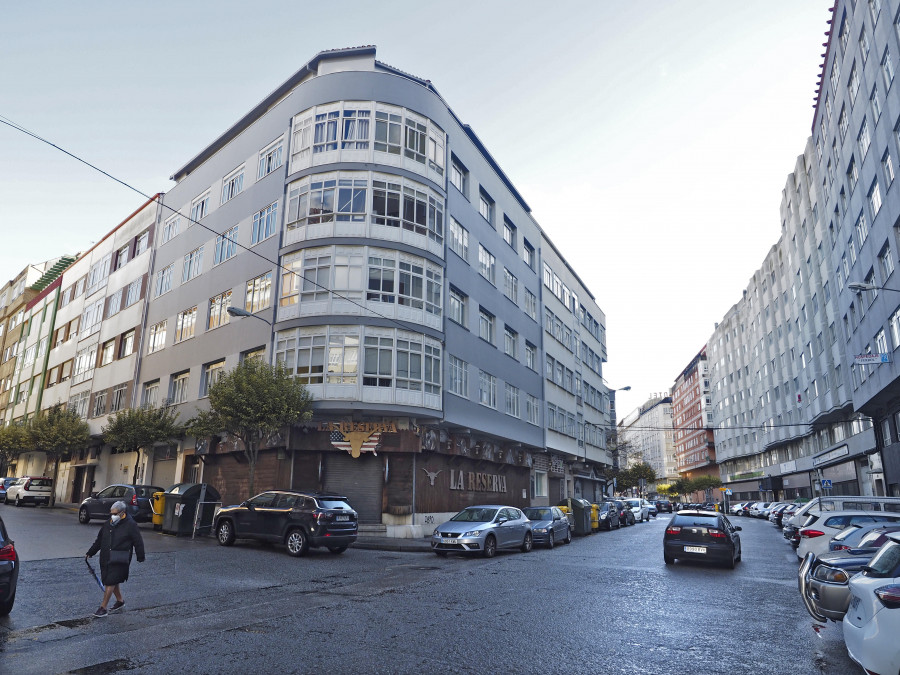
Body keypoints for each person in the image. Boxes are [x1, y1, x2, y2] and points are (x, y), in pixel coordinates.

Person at [86, 500, 145, 618]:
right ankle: (120, 601)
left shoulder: (130, 524)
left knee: (111, 581)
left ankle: (103, 608)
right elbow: (99, 540)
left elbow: (138, 541)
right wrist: (91, 552)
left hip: (120, 557)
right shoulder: (108, 523)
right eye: (111, 513)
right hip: (106, 556)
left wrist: (140, 556)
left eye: (115, 513)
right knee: (111, 580)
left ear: (122, 513)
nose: (112, 516)